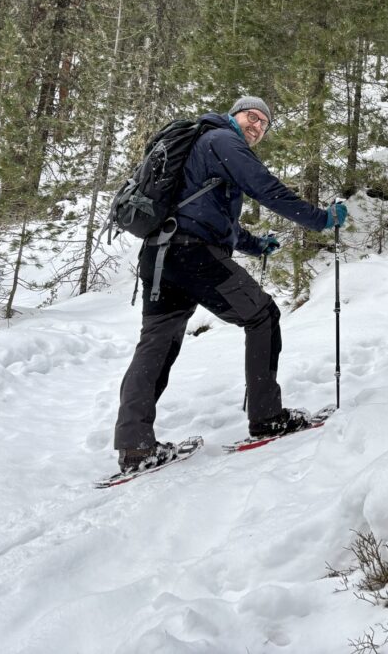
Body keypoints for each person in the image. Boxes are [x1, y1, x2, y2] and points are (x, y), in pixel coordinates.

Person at [113, 96, 348, 473]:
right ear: (233, 114)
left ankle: (135, 446)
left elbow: (207, 214)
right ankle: (267, 417)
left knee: (156, 345)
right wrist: (320, 220)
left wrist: (255, 245)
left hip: (161, 257)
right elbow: (264, 186)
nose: (256, 125)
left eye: (263, 124)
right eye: (251, 116)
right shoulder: (222, 140)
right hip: (194, 256)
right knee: (263, 316)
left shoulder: (200, 146)